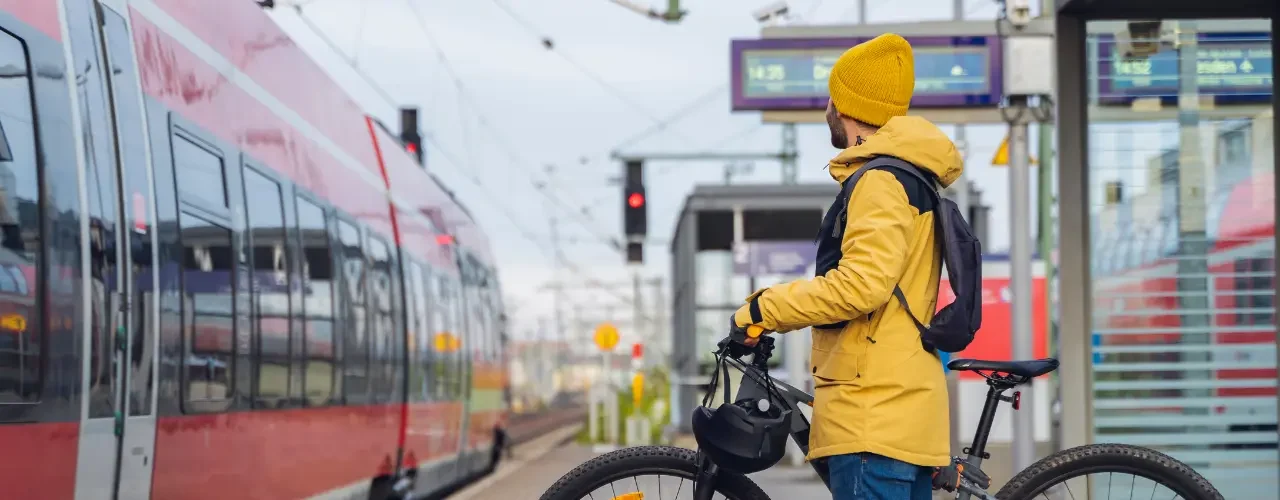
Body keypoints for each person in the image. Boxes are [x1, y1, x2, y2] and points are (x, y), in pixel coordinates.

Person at [730, 33, 964, 499]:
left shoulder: (880, 180)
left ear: (846, 106)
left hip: (873, 418)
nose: (827, 111)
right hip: (901, 411)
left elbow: (862, 286)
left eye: (831, 100)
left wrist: (763, 309)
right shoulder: (913, 179)